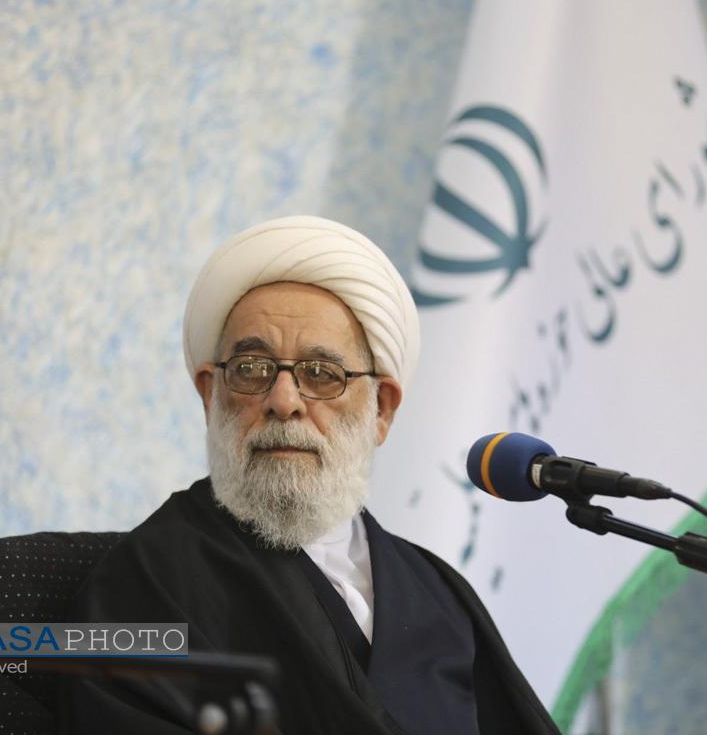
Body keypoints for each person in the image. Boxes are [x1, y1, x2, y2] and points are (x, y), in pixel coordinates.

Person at [62, 216, 560, 734]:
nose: (283, 401)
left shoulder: (437, 590)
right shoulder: (145, 583)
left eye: (321, 374)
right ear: (210, 395)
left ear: (382, 410)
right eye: (251, 369)